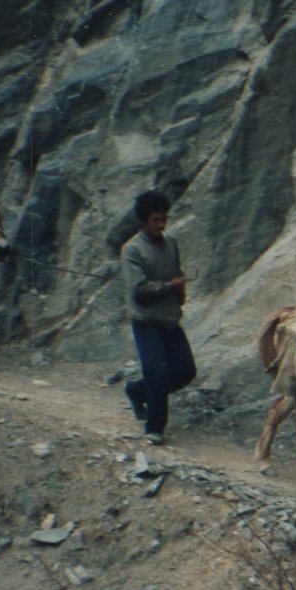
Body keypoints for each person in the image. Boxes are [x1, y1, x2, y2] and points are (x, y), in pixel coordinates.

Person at [121, 189, 194, 445]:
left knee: (186, 371)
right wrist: (170, 287)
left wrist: (180, 290)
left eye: (163, 219)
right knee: (157, 372)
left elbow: (177, 272)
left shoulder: (171, 243)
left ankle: (136, 390)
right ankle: (155, 428)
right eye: (155, 220)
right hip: (146, 321)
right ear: (143, 220)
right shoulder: (132, 250)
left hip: (170, 319)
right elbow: (139, 291)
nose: (160, 225)